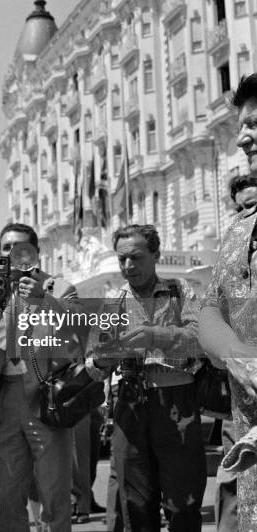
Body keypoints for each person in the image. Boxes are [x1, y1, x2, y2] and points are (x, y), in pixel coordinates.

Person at [86, 224, 205, 532]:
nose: (128, 266)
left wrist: (156, 336)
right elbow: (94, 365)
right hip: (129, 404)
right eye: (122, 259)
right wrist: (103, 357)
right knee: (134, 504)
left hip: (177, 405)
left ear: (156, 255)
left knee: (184, 501)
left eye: (136, 257)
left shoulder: (180, 291)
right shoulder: (112, 302)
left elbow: (201, 338)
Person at [0, 222, 79, 532]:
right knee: (8, 495)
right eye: (5, 249)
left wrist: (45, 299)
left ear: (35, 253)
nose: (12, 255)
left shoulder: (59, 287)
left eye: (20, 248)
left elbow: (79, 332)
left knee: (55, 495)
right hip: (5, 401)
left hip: (46, 398)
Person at [199, 73, 257, 532]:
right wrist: (237, 357)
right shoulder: (240, 227)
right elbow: (209, 309)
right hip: (248, 440)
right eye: (241, 125)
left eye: (255, 124)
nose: (242, 138)